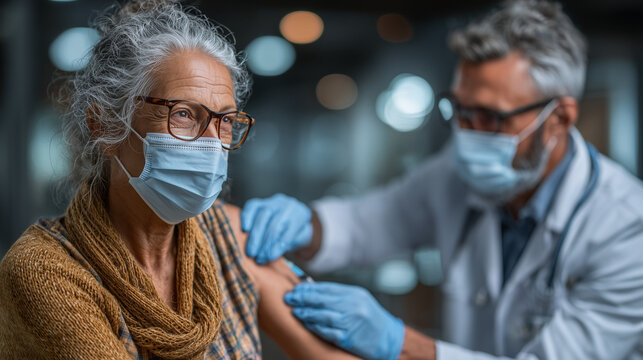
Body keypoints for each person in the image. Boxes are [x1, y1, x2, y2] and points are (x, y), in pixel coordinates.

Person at [241, 1, 643, 359]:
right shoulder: (455, 174)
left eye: (490, 117)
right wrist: (303, 226)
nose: (467, 134)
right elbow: (366, 225)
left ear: (559, 120)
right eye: (460, 110)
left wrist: (398, 344)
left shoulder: (626, 228)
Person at [0, 1, 361, 359]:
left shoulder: (222, 232)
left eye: (225, 122)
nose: (211, 144)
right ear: (105, 127)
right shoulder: (45, 270)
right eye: (184, 114)